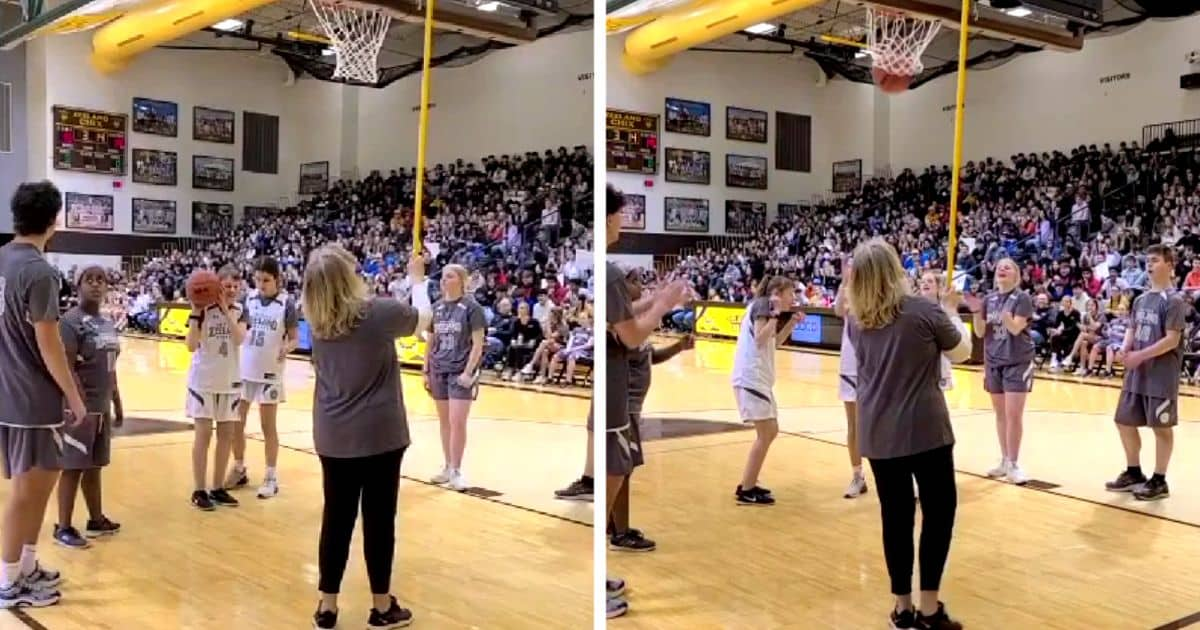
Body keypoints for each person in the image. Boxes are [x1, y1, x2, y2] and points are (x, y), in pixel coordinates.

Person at [846, 238, 972, 630]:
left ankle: (902, 608)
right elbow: (963, 352)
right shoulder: (922, 310)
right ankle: (930, 608)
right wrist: (951, 310)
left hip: (879, 434)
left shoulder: (855, 319)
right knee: (938, 515)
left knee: (895, 518)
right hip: (925, 430)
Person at [306, 245, 429, 630]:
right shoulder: (378, 312)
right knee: (379, 519)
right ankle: (381, 605)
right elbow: (423, 320)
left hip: (332, 433)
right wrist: (418, 279)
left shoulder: (317, 321)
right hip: (379, 433)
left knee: (336, 518)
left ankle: (327, 606)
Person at [605, 185, 688, 618]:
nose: (623, 220)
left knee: (615, 470)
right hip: (616, 394)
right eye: (620, 214)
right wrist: (664, 308)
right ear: (608, 218)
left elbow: (625, 313)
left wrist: (658, 298)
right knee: (615, 471)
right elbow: (633, 335)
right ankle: (598, 581)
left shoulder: (605, 273)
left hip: (609, 390)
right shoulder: (611, 272)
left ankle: (601, 572)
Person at [0, 181, 84, 608]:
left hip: (8, 394)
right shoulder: (40, 272)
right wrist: (74, 395)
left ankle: (27, 565)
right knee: (25, 491)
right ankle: (8, 580)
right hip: (32, 398)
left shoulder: (2, 260)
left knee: (41, 483)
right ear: (55, 221)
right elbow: (49, 344)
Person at [609, 266, 693, 552]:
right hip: (625, 407)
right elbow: (633, 342)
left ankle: (615, 523)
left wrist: (678, 348)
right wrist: (659, 304)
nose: (639, 286)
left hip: (633, 406)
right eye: (633, 282)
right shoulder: (626, 326)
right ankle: (620, 532)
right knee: (623, 469)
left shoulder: (637, 325)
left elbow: (651, 357)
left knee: (623, 469)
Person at [1105, 243, 1186, 501]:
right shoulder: (1140, 299)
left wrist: (1140, 355)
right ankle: (1133, 472)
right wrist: (1125, 349)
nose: (1149, 265)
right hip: (1136, 373)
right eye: (1147, 261)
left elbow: (1172, 340)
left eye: (1155, 260)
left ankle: (1160, 480)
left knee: (1160, 427)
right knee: (1123, 420)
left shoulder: (1174, 301)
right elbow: (1132, 328)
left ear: (1170, 265)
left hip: (1161, 375)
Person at [53, 266, 124, 549]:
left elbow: (111, 368)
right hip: (78, 408)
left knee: (94, 466)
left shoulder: (106, 323)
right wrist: (77, 404)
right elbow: (66, 366)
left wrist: (117, 402)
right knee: (72, 467)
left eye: (101, 280)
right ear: (78, 285)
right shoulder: (69, 322)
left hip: (101, 405)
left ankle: (95, 519)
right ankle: (63, 526)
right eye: (89, 280)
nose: (96, 285)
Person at [225, 256, 298, 499]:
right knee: (237, 422)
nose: (260, 284)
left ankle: (270, 475)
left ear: (276, 279)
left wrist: (286, 348)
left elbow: (295, 338)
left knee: (268, 427)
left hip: (270, 374)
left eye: (265, 280)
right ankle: (239, 467)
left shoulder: (286, 304)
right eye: (257, 279)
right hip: (245, 370)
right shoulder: (248, 300)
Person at [732, 275, 804, 505]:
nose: (793, 297)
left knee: (769, 432)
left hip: (758, 379)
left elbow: (774, 343)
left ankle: (748, 483)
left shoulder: (763, 308)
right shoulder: (763, 306)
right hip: (751, 377)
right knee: (767, 432)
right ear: (778, 292)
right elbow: (760, 340)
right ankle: (747, 488)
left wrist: (790, 323)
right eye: (790, 292)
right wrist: (774, 315)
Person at [968, 258, 1034, 486]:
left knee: (1014, 414)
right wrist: (977, 311)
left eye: (1008, 267)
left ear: (1017, 275)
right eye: (999, 267)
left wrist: (1006, 316)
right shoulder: (989, 299)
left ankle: (1014, 463)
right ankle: (1005, 459)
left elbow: (1016, 328)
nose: (1002, 269)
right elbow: (979, 332)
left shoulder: (1022, 298)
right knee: (1000, 414)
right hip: (994, 361)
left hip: (1017, 360)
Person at [187, 266, 247, 510]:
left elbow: (239, 339)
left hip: (230, 381)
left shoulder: (241, 311)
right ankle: (199, 489)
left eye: (235, 286)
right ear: (216, 286)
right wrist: (194, 312)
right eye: (226, 286)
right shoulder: (202, 310)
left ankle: (218, 487)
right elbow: (190, 346)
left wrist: (225, 309)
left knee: (226, 436)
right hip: (203, 381)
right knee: (203, 435)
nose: (231, 290)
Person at [424, 264, 486, 492]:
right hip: (438, 369)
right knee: (444, 422)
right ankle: (448, 466)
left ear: (461, 280)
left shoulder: (472, 308)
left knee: (457, 421)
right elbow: (430, 342)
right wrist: (426, 370)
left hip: (460, 371)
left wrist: (468, 372)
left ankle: (458, 470)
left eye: (449, 276)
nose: (443, 280)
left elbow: (478, 344)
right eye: (442, 277)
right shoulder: (436, 307)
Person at [834, 258, 866, 499]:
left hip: (873, 367)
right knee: (853, 425)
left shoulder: (873, 293)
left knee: (878, 424)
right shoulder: (847, 293)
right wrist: (845, 283)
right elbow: (837, 310)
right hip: (849, 365)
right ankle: (857, 476)